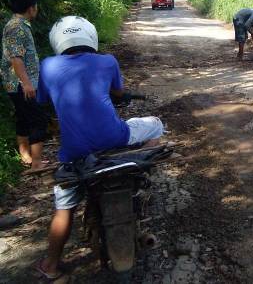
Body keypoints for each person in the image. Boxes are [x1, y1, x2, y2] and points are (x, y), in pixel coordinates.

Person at [35, 16, 165, 281]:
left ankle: (50, 265)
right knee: (156, 125)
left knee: (64, 208)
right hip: (114, 137)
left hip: (74, 152)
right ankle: (144, 167)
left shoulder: (47, 66)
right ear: (90, 37)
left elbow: (42, 99)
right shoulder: (107, 61)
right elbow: (118, 92)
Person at [1, 0, 47, 170]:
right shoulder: (17, 27)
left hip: (17, 82)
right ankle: (36, 163)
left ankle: (26, 156)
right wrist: (27, 83)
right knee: (38, 120)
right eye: (36, 6)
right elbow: (16, 58)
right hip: (20, 84)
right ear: (31, 8)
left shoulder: (17, 24)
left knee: (23, 117)